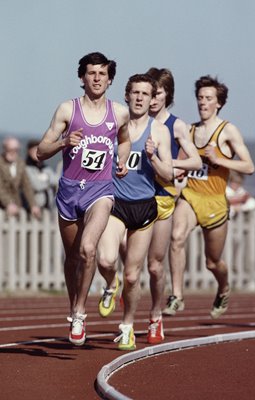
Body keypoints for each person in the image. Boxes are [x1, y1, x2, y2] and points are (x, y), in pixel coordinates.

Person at [37, 51, 131, 346]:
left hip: (100, 191)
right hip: (69, 192)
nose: (97, 78)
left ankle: (78, 314)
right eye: (91, 73)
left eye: (102, 73)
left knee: (89, 249)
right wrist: (64, 142)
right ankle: (74, 304)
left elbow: (125, 139)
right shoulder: (67, 110)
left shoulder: (118, 113)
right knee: (73, 259)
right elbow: (40, 151)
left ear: (110, 78)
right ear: (82, 77)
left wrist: (122, 160)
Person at [166, 75, 255, 319]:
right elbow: (182, 163)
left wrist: (219, 160)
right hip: (191, 195)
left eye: (208, 99)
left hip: (215, 201)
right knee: (177, 236)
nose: (203, 103)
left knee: (212, 263)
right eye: (200, 98)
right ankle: (176, 296)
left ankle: (224, 288)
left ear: (219, 103)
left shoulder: (228, 131)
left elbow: (249, 167)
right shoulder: (191, 131)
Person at [97, 73, 173, 350]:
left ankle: (127, 325)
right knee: (106, 260)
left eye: (145, 94)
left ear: (153, 99)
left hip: (143, 206)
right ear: (127, 96)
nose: (140, 98)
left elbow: (169, 176)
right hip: (114, 202)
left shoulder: (159, 131)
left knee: (133, 275)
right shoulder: (114, 123)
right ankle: (109, 284)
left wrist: (153, 158)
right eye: (135, 93)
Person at [144, 68, 202, 338]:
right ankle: (119, 283)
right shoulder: (137, 120)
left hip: (164, 195)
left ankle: (159, 311)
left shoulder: (176, 125)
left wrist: (171, 163)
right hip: (136, 193)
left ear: (168, 94)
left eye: (158, 94)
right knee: (121, 250)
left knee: (155, 263)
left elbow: (196, 161)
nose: (152, 99)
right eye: (149, 93)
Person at [0, 136, 41, 218]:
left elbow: (27, 186)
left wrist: (33, 205)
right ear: (5, 149)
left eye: (16, 150)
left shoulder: (20, 164)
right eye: (10, 149)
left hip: (17, 204)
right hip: (2, 205)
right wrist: (8, 203)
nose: (13, 152)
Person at [26, 139, 58, 209]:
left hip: (48, 207)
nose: (37, 153)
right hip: (33, 208)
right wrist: (48, 181)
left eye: (39, 150)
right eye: (34, 150)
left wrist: (44, 180)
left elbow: (56, 181)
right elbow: (36, 185)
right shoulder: (26, 168)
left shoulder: (46, 168)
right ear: (29, 152)